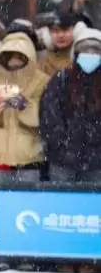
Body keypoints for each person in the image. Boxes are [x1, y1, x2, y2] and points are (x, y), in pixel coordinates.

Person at [0, 32, 51, 182]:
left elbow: (44, 117)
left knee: (27, 203)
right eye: (10, 54)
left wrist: (24, 104)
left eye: (20, 54)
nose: (14, 59)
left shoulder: (42, 80)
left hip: (29, 155)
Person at [40, 28, 101, 182]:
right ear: (76, 54)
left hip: (97, 164)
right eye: (85, 50)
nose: (90, 54)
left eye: (95, 51)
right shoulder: (61, 79)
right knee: (61, 205)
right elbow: (49, 116)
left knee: (92, 206)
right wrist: (62, 147)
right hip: (62, 162)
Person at [38, 11, 80, 77]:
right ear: (48, 34)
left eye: (65, 30)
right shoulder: (42, 63)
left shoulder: (82, 58)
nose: (60, 35)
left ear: (75, 31)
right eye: (56, 31)